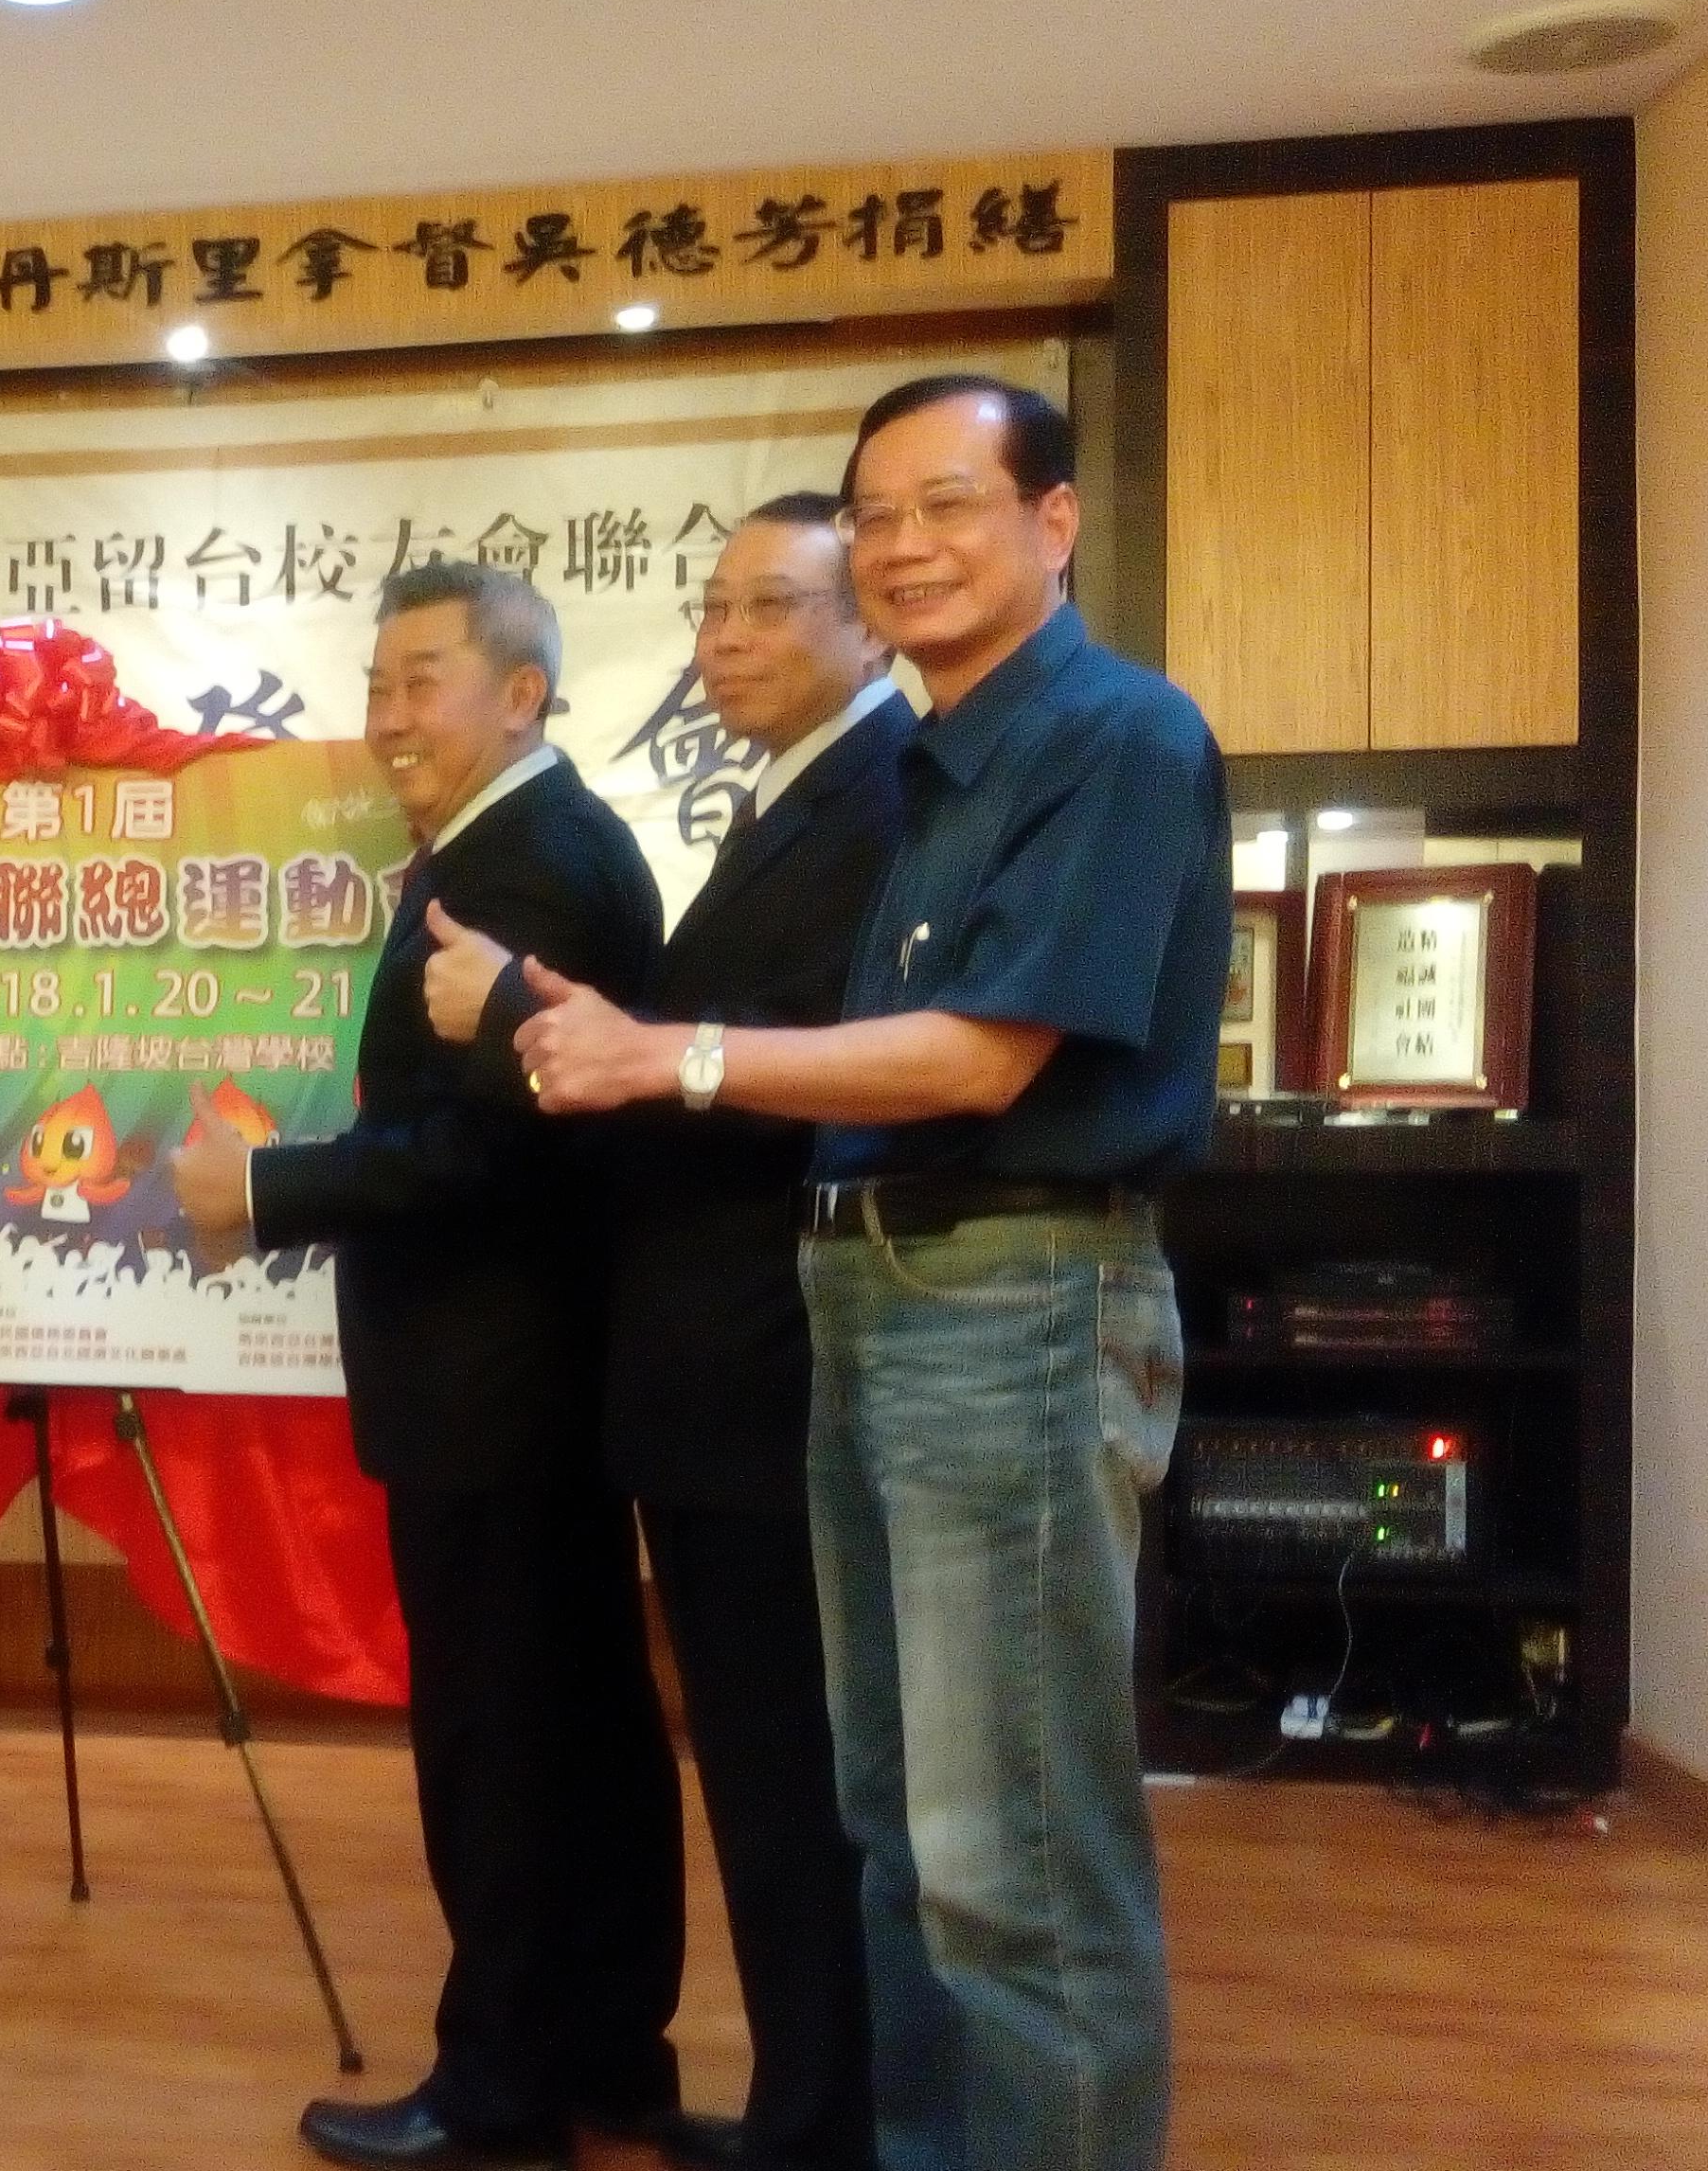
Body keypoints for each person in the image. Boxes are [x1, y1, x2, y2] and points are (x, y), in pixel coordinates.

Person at [518, 378, 1225, 2171]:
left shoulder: (1117, 737)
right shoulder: (921, 760)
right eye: (879, 511)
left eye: (950, 505)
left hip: (1020, 1297)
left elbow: (982, 1059)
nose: (906, 544)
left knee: (1021, 1859)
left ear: (1053, 523)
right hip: (878, 1296)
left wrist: (660, 1056)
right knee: (901, 1829)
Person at [171, 559, 694, 2171]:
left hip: (500, 1380)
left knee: (507, 1736)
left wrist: (263, 1193)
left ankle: (502, 2092)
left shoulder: (526, 861)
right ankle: (605, 2053)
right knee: (576, 1719)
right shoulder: (512, 841)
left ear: (519, 693)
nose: (386, 716)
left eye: (421, 681)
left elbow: (491, 1156)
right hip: (522, 1379)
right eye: (376, 682)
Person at [429, 493, 908, 2171]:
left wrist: (523, 1023)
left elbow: (758, 1075)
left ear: (870, 625)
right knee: (759, 1782)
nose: (724, 643)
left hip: (770, 1365)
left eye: (769, 607)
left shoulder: (878, 801)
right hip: (708, 1375)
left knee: (798, 1787)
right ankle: (798, 2113)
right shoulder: (796, 802)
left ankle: (822, 2129)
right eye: (711, 611)